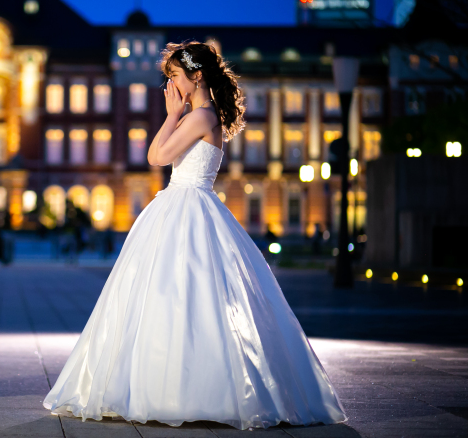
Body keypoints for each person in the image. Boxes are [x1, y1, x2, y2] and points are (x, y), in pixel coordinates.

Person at [43, 41, 346, 430]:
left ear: (196, 75)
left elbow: (156, 157)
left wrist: (172, 115)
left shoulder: (201, 116)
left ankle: (184, 389)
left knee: (179, 294)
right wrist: (174, 115)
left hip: (186, 206)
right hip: (186, 205)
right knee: (182, 294)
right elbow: (158, 156)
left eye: (174, 75)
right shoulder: (202, 115)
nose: (169, 84)